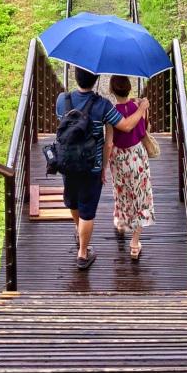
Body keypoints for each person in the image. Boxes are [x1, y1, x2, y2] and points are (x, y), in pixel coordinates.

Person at [56, 67, 148, 270]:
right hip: (92, 167)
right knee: (87, 210)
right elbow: (125, 126)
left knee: (73, 201)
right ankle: (82, 254)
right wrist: (141, 108)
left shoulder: (62, 99)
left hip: (67, 164)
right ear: (96, 79)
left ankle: (78, 229)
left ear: (75, 77)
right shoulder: (103, 105)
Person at [105, 74, 155, 261]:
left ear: (111, 90)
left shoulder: (111, 113)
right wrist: (142, 108)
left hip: (119, 157)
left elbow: (109, 143)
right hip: (137, 155)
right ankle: (134, 243)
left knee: (121, 191)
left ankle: (121, 222)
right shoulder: (138, 107)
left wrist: (103, 166)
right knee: (140, 196)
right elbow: (144, 130)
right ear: (129, 88)